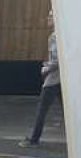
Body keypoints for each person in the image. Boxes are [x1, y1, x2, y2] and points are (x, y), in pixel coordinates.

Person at [20, 11, 61, 148]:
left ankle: (34, 140)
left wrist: (46, 69)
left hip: (54, 79)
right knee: (69, 113)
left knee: (41, 110)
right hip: (63, 80)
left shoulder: (55, 37)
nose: (47, 18)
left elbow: (57, 61)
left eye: (51, 16)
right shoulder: (64, 35)